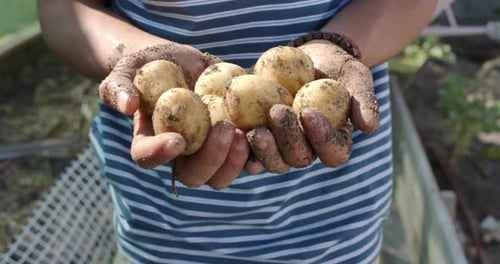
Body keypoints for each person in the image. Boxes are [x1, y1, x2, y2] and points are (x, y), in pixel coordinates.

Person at [38, 0, 437, 263]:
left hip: (334, 227)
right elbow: (63, 9)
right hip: (163, 230)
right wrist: (133, 60)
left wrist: (341, 46)